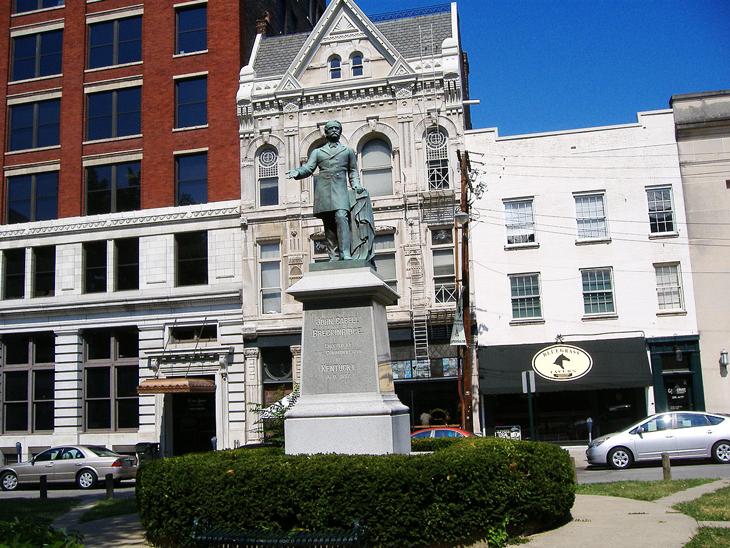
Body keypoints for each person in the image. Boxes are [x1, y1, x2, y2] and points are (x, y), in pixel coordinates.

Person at [287, 120, 373, 262]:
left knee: (341, 217)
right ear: (326, 133)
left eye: (337, 128)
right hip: (324, 190)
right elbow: (308, 168)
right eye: (331, 128)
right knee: (328, 224)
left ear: (340, 132)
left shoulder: (348, 151)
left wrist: (356, 185)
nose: (334, 130)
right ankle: (333, 256)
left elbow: (353, 172)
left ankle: (345, 253)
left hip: (340, 190)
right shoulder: (317, 152)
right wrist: (297, 172)